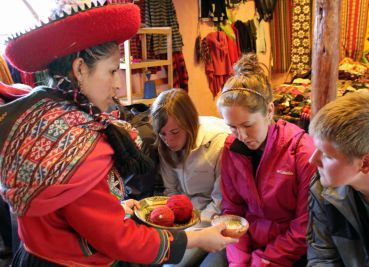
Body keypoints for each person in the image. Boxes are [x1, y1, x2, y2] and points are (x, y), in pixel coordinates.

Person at [0, 3, 237, 266]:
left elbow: (67, 212)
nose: (117, 85)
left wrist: (116, 209)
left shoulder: (39, 113)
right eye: (113, 71)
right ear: (80, 69)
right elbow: (119, 239)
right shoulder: (80, 147)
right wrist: (198, 238)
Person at [217, 53, 316, 266]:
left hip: (290, 251)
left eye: (248, 125)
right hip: (245, 242)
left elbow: (304, 227)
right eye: (232, 127)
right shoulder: (230, 148)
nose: (241, 136)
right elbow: (232, 211)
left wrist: (263, 261)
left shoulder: (302, 151)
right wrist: (239, 260)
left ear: (269, 111)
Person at [307, 91, 369, 266]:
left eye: (327, 155)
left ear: (366, 163)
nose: (312, 160)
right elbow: (322, 258)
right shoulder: (323, 190)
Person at [151, 88, 231, 267]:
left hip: (212, 218)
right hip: (183, 216)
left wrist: (192, 232)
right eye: (162, 134)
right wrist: (173, 225)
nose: (169, 141)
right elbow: (171, 191)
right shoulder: (165, 146)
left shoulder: (219, 144)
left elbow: (220, 201)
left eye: (174, 132)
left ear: (189, 124)